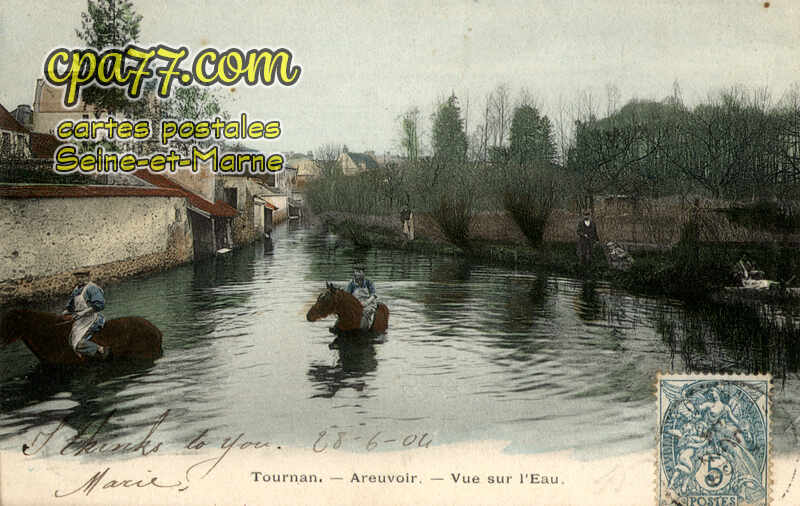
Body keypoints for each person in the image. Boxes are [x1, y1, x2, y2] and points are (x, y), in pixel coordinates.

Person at [62, 270, 109, 359]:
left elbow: (100, 304)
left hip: (92, 318)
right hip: (80, 319)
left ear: (88, 277)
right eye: (78, 277)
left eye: (82, 277)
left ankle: (100, 349)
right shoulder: (76, 289)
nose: (80, 279)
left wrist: (83, 312)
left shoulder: (92, 288)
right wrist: (67, 310)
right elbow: (71, 304)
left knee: (79, 343)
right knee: (70, 339)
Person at [345, 265, 378, 330]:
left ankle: (367, 328)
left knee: (366, 314)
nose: (358, 274)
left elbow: (374, 295)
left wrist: (366, 303)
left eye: (359, 272)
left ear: (363, 273)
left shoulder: (369, 282)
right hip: (355, 303)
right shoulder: (351, 283)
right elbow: (347, 296)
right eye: (356, 272)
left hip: (368, 303)